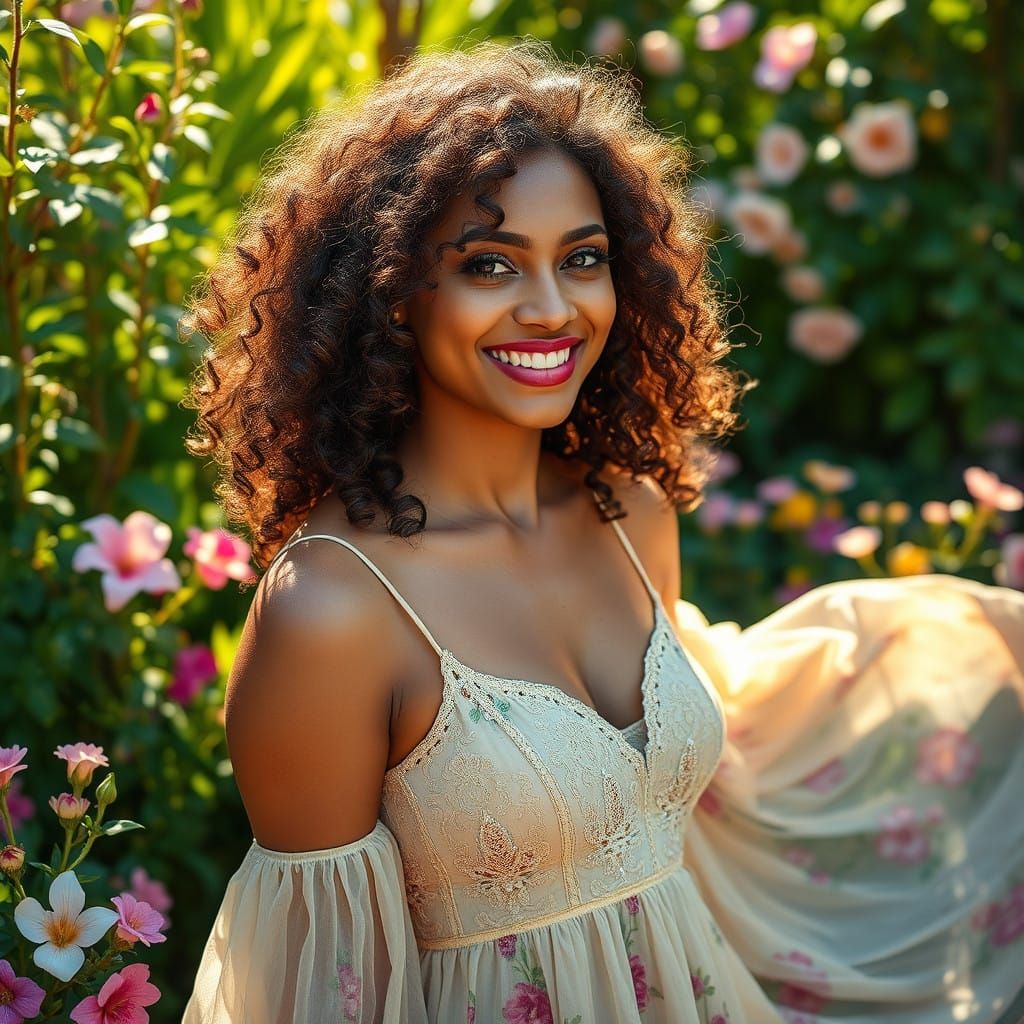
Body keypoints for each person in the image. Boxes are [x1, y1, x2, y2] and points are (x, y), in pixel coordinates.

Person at [178, 38, 1024, 1024]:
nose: (551, 309)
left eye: (581, 259)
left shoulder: (630, 515)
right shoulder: (331, 611)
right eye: (489, 264)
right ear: (393, 294)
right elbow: (320, 990)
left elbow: (672, 793)